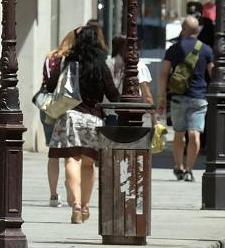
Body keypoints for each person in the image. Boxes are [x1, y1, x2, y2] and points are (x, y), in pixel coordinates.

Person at [44, 25, 118, 224]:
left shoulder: (69, 62)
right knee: (89, 165)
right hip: (94, 118)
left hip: (70, 116)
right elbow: (112, 94)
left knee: (72, 160)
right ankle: (85, 206)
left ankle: (75, 204)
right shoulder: (101, 65)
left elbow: (51, 85)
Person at [158, 16, 213, 182]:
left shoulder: (174, 49)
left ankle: (179, 166)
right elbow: (213, 73)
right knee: (194, 134)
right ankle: (189, 169)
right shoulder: (206, 50)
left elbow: (164, 74)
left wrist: (161, 97)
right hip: (199, 97)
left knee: (179, 133)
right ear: (198, 30)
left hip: (178, 97)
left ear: (183, 28)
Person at [38, 29, 75, 207]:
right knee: (69, 153)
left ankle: (53, 195)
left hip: (48, 107)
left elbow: (46, 83)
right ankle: (71, 192)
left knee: (53, 154)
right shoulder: (70, 59)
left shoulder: (50, 56)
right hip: (65, 107)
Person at [110, 34, 155, 122]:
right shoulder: (139, 66)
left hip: (109, 113)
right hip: (132, 114)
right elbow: (147, 95)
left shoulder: (108, 63)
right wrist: (154, 119)